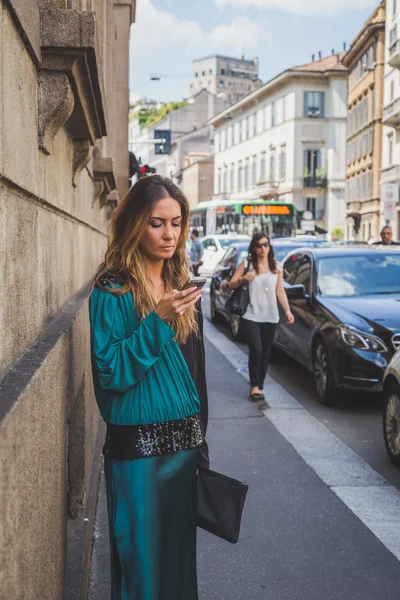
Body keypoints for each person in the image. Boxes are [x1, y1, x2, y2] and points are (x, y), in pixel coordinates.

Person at [89, 175, 209, 600]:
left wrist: (202, 449)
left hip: (182, 452)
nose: (169, 234)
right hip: (136, 456)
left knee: (177, 572)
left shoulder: (183, 285)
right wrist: (156, 320)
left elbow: (196, 374)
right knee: (142, 569)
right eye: (158, 223)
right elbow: (112, 372)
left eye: (176, 223)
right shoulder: (112, 288)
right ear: (136, 224)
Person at [229, 233, 294, 402]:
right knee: (256, 349)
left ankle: (260, 384)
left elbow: (280, 290)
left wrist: (287, 310)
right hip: (251, 315)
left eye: (265, 244)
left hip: (270, 315)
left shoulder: (277, 267)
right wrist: (244, 278)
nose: (263, 248)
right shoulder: (247, 264)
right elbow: (231, 283)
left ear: (270, 247)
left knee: (265, 352)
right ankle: (254, 386)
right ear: (254, 248)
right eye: (259, 245)